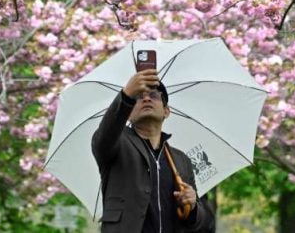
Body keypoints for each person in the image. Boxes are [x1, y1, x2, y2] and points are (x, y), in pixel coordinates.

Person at [91, 67, 215, 232]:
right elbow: (105, 135)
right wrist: (126, 95)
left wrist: (192, 208)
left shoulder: (180, 159)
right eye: (139, 97)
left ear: (166, 111)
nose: (147, 99)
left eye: (154, 96)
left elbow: (203, 222)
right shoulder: (117, 144)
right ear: (128, 114)